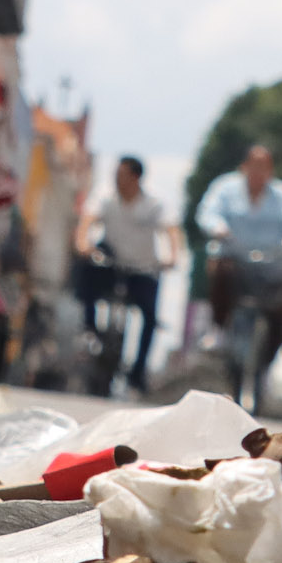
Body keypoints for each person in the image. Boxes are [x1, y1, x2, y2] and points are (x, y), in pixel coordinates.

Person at [194, 143, 282, 402]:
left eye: (264, 168)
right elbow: (208, 213)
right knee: (221, 271)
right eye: (254, 167)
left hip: (272, 267)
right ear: (244, 167)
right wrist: (218, 228)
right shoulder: (225, 188)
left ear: (271, 171)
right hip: (236, 261)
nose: (259, 173)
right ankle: (219, 329)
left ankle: (272, 355)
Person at [77, 154, 180, 392]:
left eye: (121, 175)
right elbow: (87, 221)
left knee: (150, 317)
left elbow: (171, 230)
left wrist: (173, 256)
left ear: (136, 178)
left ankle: (138, 371)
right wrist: (83, 243)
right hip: (111, 264)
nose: (116, 180)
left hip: (142, 268)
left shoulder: (154, 202)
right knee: (87, 272)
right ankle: (90, 328)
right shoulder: (105, 195)